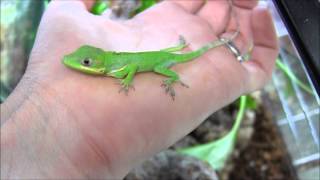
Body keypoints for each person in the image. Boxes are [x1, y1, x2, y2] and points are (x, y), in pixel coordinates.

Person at [1, 0, 278, 179]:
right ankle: (182, 50)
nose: (76, 64)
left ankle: (176, 64)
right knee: (164, 58)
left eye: (85, 62)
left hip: (164, 61)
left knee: (163, 69)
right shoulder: (106, 63)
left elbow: (131, 70)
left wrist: (135, 80)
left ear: (95, 64)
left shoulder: (115, 69)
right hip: (162, 51)